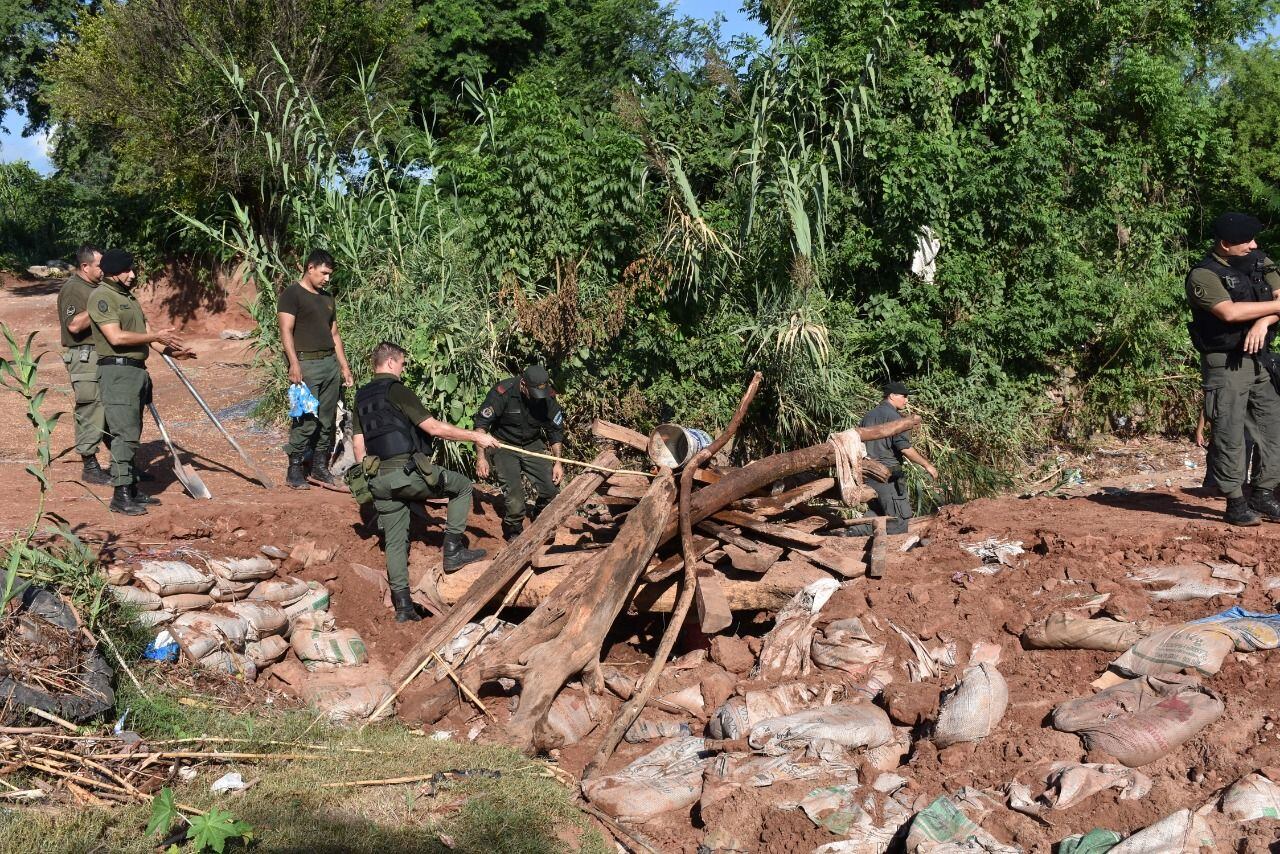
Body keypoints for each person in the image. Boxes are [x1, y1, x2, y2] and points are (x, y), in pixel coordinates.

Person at [351, 341, 500, 622]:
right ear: (392, 363)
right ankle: (453, 551)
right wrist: (476, 436)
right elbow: (433, 428)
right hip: (404, 472)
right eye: (403, 364)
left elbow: (359, 448)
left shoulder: (361, 397)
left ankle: (404, 608)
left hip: (378, 479)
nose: (404, 369)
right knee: (462, 485)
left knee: (395, 543)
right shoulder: (397, 390)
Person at [1185, 211, 1280, 526]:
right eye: (1246, 241)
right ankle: (1235, 502)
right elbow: (1229, 312)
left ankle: (1263, 494)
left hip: (1260, 359)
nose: (1254, 245)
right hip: (1225, 362)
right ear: (1225, 244)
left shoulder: (1259, 261)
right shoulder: (1203, 275)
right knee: (1229, 432)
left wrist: (1264, 323)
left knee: (1272, 426)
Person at [87, 250, 184, 515]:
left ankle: (130, 489)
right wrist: (156, 336)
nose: (133, 275)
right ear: (115, 271)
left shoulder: (127, 296)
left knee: (132, 434)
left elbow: (147, 337)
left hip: (136, 372)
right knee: (124, 436)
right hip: (118, 374)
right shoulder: (102, 297)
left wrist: (173, 351)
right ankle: (120, 496)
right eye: (128, 270)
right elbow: (116, 338)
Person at [278, 249, 353, 489]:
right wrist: (294, 363)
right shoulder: (292, 294)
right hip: (306, 364)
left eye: (329, 274)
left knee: (327, 418)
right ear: (310, 268)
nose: (327, 279)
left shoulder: (327, 298)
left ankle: (319, 467)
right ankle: (295, 469)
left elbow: (335, 334)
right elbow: (286, 331)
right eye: (324, 273)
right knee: (305, 416)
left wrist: (344, 367)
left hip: (329, 363)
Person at [473, 365, 566, 541]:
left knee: (551, 488)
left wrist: (558, 462)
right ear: (523, 384)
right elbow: (481, 426)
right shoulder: (503, 392)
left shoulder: (547, 397)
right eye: (533, 393)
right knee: (515, 495)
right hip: (504, 446)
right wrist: (481, 457)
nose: (537, 398)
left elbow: (555, 431)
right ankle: (514, 529)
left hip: (532, 444)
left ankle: (540, 514)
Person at [842, 381, 937, 535]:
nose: (906, 400)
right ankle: (896, 555)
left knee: (878, 511)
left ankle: (850, 533)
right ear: (892, 396)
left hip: (868, 474)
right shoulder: (895, 418)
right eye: (904, 396)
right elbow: (904, 448)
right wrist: (927, 465)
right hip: (888, 476)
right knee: (898, 519)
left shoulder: (868, 415)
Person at [56, 244, 110, 485]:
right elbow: (74, 326)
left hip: (104, 356)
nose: (104, 270)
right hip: (85, 357)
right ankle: (90, 466)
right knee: (91, 409)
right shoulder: (73, 289)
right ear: (85, 266)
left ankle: (122, 464)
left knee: (112, 411)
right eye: (100, 266)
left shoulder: (98, 286)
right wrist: (100, 303)